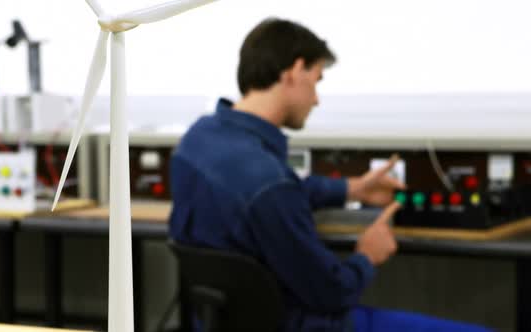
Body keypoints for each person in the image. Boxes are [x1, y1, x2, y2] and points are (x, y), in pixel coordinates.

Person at [169, 18, 492, 332]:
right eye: (317, 79)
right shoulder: (270, 185)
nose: (317, 99)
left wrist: (352, 189)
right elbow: (333, 293)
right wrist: (368, 255)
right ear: (296, 71)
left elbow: (267, 193)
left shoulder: (198, 140)